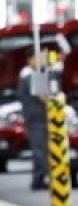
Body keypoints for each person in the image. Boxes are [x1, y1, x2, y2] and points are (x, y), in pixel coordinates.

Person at [16, 49, 49, 190]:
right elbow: (42, 96)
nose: (44, 60)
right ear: (31, 59)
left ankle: (39, 178)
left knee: (41, 148)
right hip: (36, 118)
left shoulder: (31, 74)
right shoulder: (29, 75)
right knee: (39, 149)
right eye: (41, 58)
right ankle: (39, 178)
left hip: (37, 117)